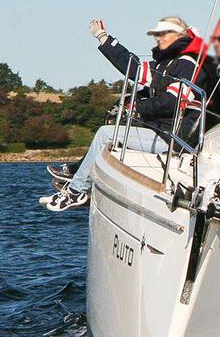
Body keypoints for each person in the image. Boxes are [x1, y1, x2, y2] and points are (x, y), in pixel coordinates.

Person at [42, 16, 210, 211]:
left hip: (173, 138)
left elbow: (171, 102)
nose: (159, 38)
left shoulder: (187, 65)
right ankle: (80, 176)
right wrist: (103, 37)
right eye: (157, 35)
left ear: (179, 36)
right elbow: (133, 68)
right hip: (161, 130)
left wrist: (138, 108)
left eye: (164, 34)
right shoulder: (166, 64)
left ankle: (76, 190)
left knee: (106, 134)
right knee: (110, 133)